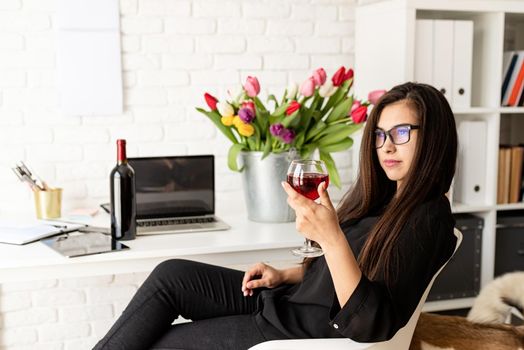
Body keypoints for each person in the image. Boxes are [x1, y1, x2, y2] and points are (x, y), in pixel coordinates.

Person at [94, 82, 458, 350]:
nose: (387, 145)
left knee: (161, 344)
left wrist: (330, 237)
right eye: (379, 135)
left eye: (401, 132)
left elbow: (370, 322)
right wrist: (287, 273)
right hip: (290, 299)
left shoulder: (429, 219)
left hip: (303, 328)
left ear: (434, 138)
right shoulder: (385, 199)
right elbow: (363, 266)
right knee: (171, 276)